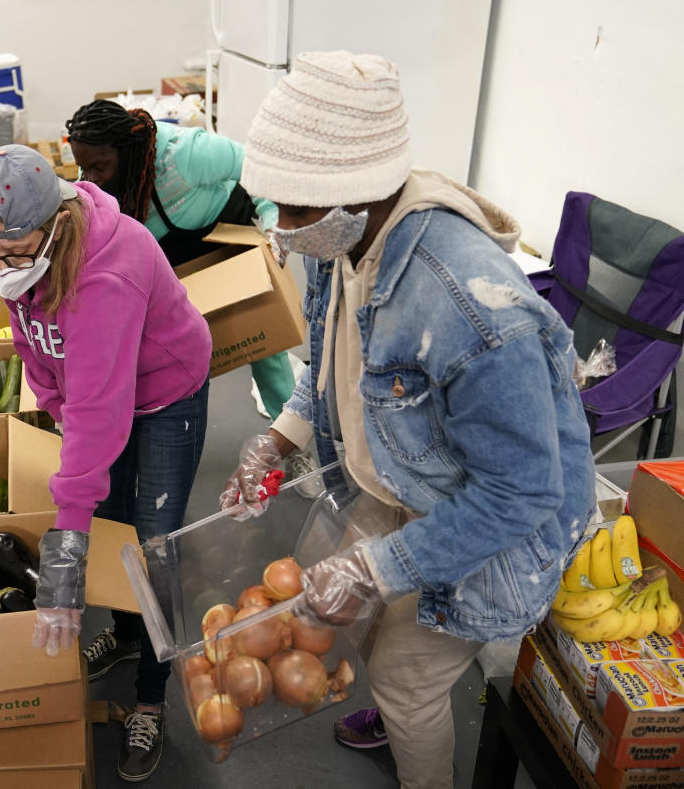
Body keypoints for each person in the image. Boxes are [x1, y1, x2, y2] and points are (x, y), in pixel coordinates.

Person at [222, 51, 595, 789]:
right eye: (275, 207)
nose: (282, 230)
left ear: (357, 195)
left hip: (495, 527)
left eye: (296, 212)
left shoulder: (472, 310)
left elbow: (521, 495)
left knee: (403, 673)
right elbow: (334, 365)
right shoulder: (344, 238)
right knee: (342, 612)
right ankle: (401, 715)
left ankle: (411, 725)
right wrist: (277, 437)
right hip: (407, 478)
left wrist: (377, 566)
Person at [0, 144, 212, 782]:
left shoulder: (108, 272)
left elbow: (105, 408)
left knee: (152, 543)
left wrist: (65, 542)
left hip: (164, 394)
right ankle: (128, 637)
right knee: (113, 520)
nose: (2, 267)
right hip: (98, 392)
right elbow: (32, 341)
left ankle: (151, 702)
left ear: (53, 226)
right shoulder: (22, 255)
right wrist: (55, 403)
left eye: (15, 253)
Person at [65, 100, 299, 427]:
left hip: (227, 236)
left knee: (263, 341)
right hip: (174, 254)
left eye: (99, 167)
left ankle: (290, 437)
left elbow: (257, 169)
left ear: (126, 150)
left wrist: (275, 224)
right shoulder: (98, 175)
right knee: (161, 349)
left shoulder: (184, 154)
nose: (91, 178)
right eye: (83, 169)